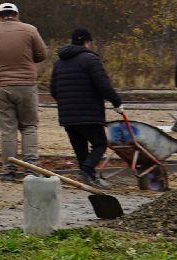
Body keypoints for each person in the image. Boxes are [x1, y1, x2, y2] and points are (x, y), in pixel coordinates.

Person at [0, 2, 49, 180]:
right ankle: (31, 168)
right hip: (26, 85)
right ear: (17, 14)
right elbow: (42, 55)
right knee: (29, 127)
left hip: (1, 86)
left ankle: (9, 170)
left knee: (8, 130)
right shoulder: (30, 30)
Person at [49, 28, 123, 187]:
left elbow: (53, 90)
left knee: (81, 150)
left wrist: (66, 103)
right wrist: (116, 102)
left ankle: (88, 180)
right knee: (100, 144)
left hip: (67, 117)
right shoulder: (90, 60)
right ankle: (87, 171)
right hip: (89, 114)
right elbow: (103, 85)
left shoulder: (58, 63)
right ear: (87, 42)